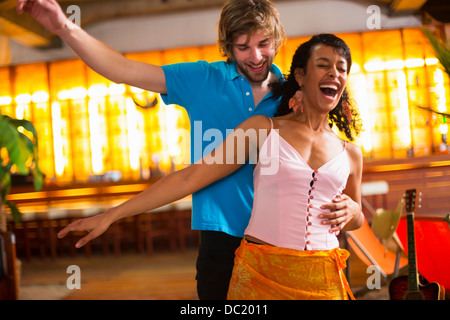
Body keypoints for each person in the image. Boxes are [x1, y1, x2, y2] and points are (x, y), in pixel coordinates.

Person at [17, 0, 361, 299]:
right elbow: (121, 70)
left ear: (278, 41)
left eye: (264, 44)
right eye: (242, 47)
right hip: (223, 237)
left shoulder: (291, 97)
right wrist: (64, 27)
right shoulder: (202, 79)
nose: (255, 57)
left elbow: (331, 153)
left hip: (292, 250)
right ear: (227, 47)